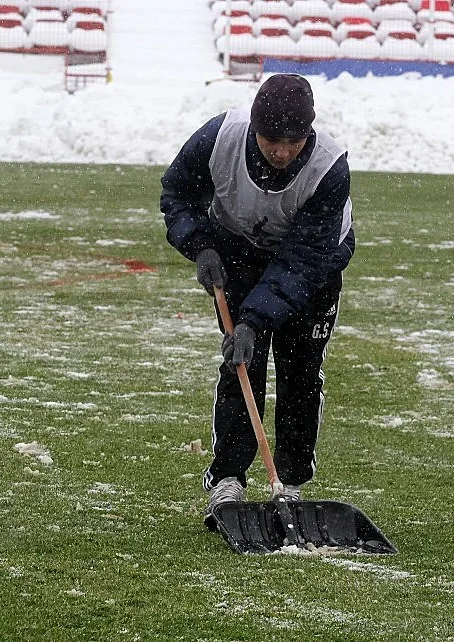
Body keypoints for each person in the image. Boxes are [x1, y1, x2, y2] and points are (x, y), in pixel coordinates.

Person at [159, 74, 354, 521]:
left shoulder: (328, 168)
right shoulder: (218, 139)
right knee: (240, 363)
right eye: (271, 140)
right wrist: (200, 246)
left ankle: (290, 480)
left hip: (313, 265)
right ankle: (227, 479)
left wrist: (254, 320)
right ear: (252, 128)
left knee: (301, 371)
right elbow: (177, 195)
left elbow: (304, 260)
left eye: (293, 141)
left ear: (309, 132)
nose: (282, 152)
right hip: (238, 251)